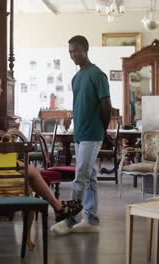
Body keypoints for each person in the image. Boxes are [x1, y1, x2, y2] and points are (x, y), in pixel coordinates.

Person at [0, 71, 82, 222]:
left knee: (32, 172)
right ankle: (58, 207)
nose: (1, 90)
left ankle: (57, 206)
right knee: (34, 172)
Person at [51, 36, 111, 235]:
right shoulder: (76, 78)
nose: (73, 54)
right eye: (70, 51)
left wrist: (102, 129)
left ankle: (69, 220)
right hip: (80, 133)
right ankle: (92, 220)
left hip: (92, 134)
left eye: (76, 50)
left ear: (86, 49)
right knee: (90, 177)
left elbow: (106, 105)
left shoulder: (98, 75)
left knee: (80, 177)